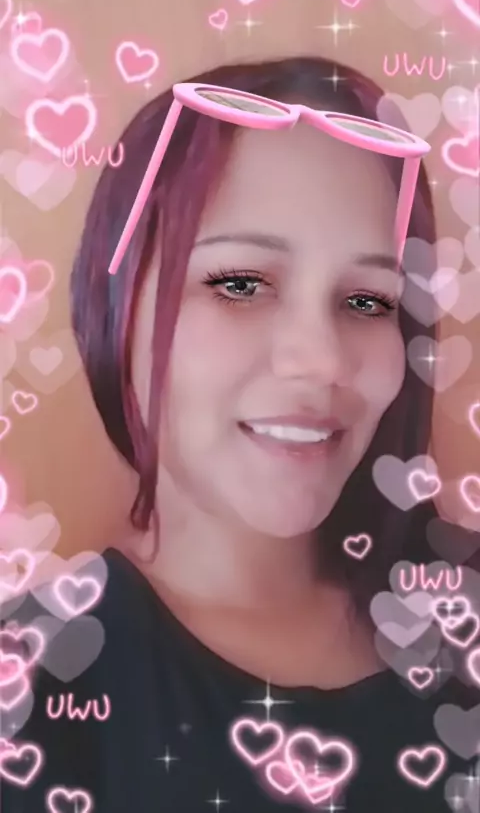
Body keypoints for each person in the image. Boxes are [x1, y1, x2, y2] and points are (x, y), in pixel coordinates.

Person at [1, 56, 478, 812]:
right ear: (115, 304)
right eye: (241, 284)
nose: (322, 361)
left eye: (367, 300)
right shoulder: (30, 693)